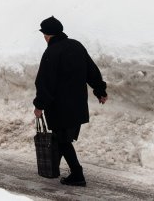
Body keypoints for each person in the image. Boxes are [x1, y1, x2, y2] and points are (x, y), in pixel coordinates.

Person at [33, 16, 107, 187]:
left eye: (44, 34)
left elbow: (44, 82)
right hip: (78, 103)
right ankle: (52, 168)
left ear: (48, 34)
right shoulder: (76, 45)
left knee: (63, 140)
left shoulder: (52, 52)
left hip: (60, 105)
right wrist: (100, 90)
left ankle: (77, 174)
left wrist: (39, 105)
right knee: (62, 138)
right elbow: (91, 70)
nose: (44, 37)